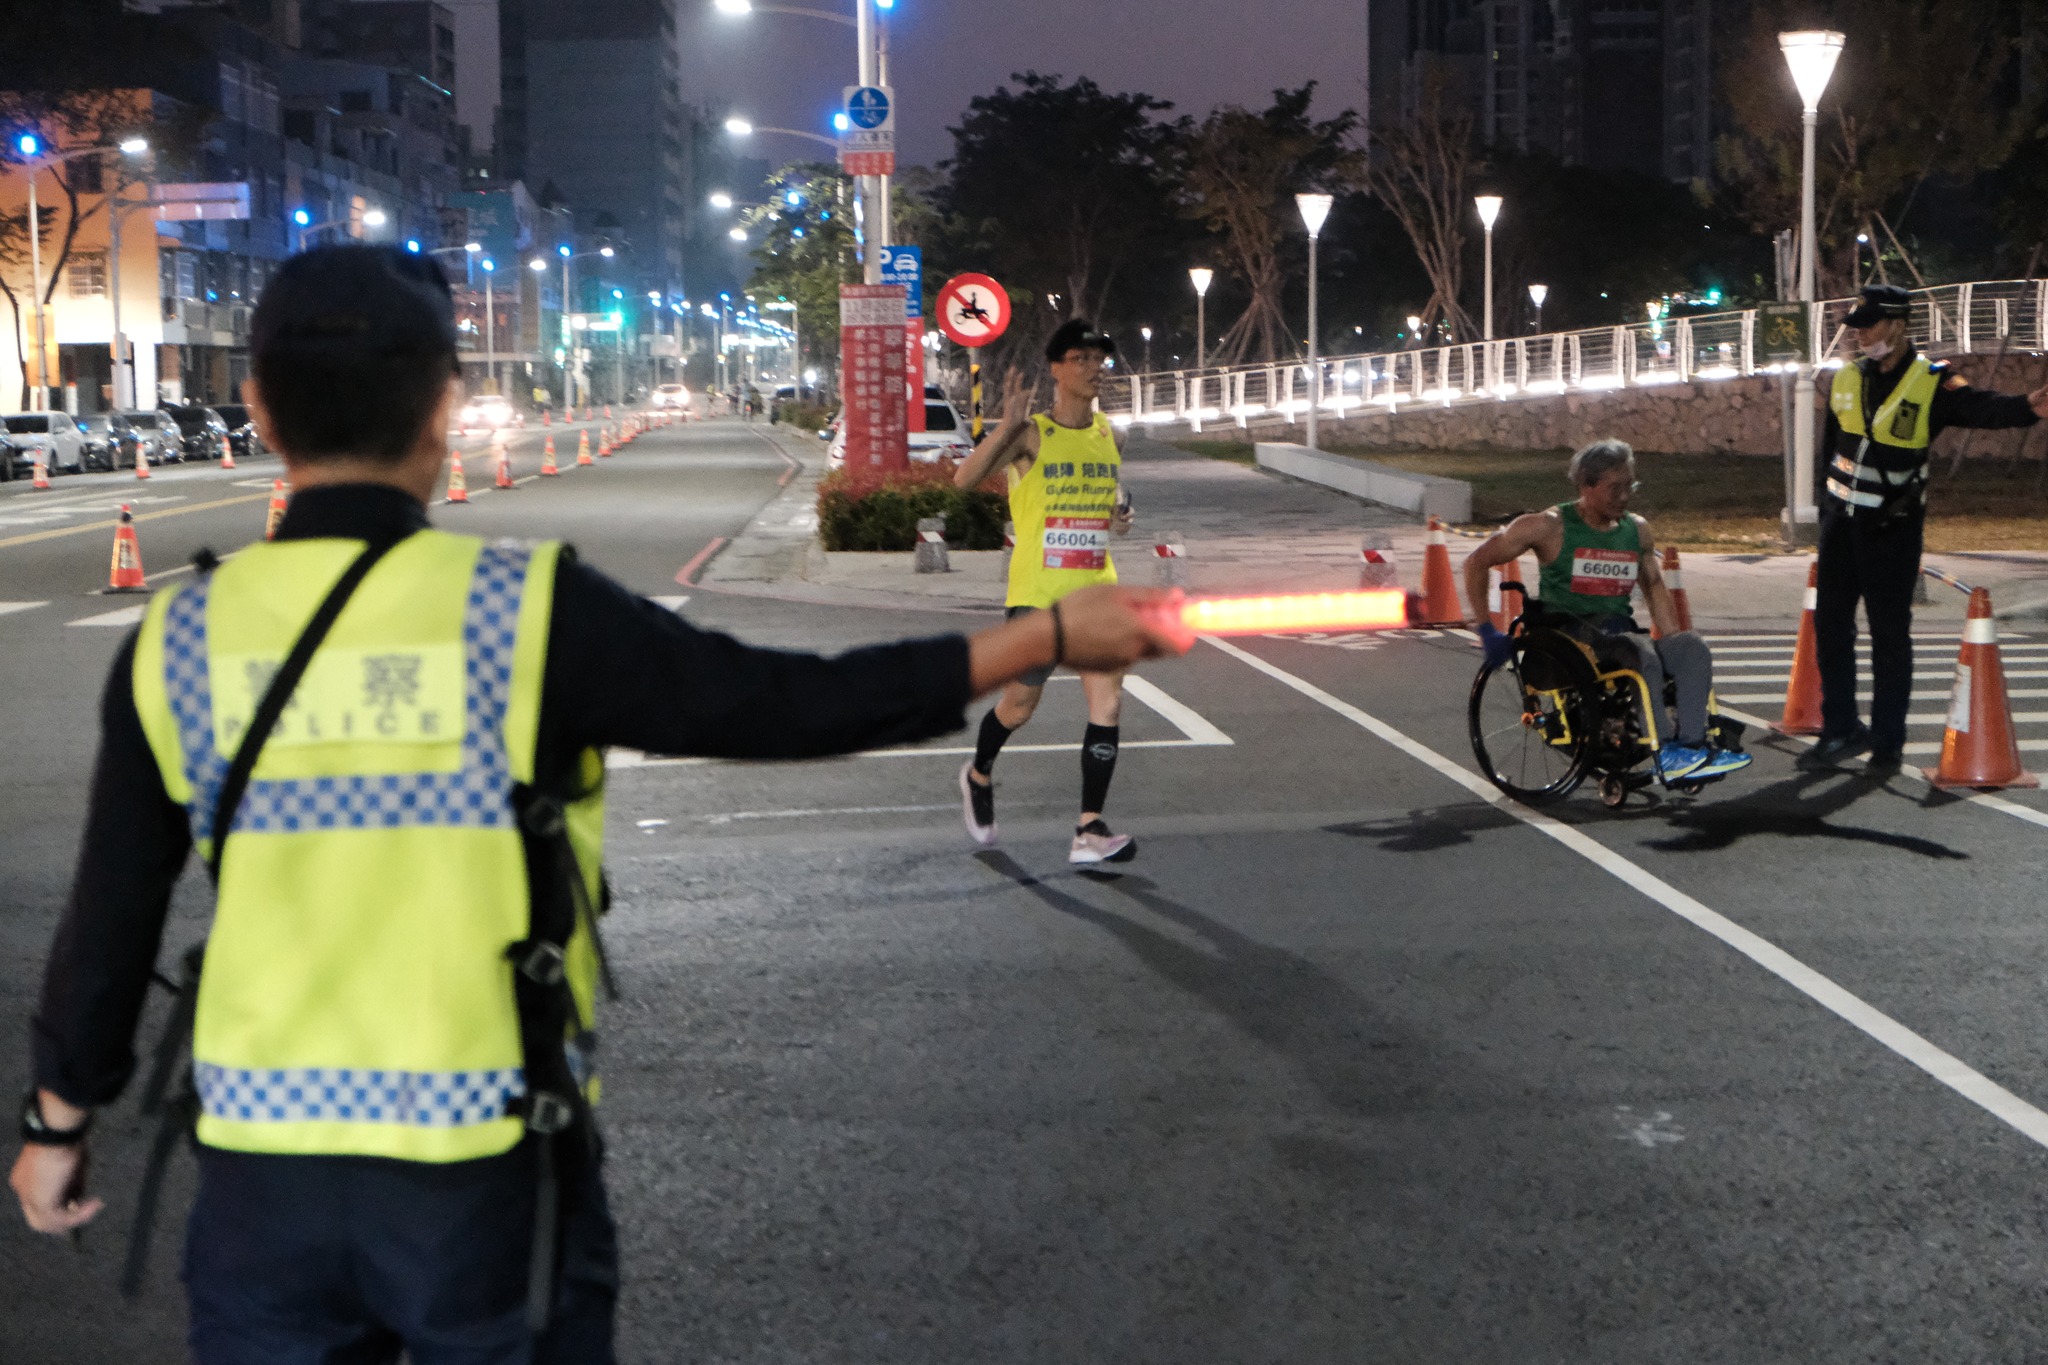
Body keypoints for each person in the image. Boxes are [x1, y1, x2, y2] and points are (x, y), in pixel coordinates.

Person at [8, 246, 1190, 1363]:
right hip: (487, 1168)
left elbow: (109, 916)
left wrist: (60, 1121)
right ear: (439, 412)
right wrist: (1032, 637)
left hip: (263, 1184)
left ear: (259, 412)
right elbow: (781, 705)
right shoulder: (521, 610)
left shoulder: (181, 635)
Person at [1799, 283, 2048, 774]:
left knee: (1890, 636)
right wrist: (1822, 512)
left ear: (1894, 325)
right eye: (1856, 327)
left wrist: (2027, 408)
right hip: (1841, 528)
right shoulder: (1847, 378)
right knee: (1830, 628)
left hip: (1891, 530)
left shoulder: (1932, 380)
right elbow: (1829, 453)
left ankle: (1888, 742)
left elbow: (1980, 405)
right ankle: (1840, 728)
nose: (1859, 335)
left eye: (1867, 325)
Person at [951, 319, 1141, 863]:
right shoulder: (1031, 435)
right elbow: (964, 482)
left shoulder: (1113, 435)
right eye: (1081, 359)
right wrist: (1005, 429)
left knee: (1108, 703)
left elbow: (1109, 507)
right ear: (1057, 369)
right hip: (1037, 596)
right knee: (1019, 705)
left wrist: (1121, 518)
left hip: (1097, 593)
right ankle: (979, 774)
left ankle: (1089, 829)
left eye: (1099, 359)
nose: (1093, 368)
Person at [1461, 438, 1752, 782]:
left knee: (1692, 648)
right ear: (1586, 485)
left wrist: (1673, 640)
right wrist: (1485, 628)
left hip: (1617, 630)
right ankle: (1666, 751)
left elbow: (1655, 586)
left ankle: (1692, 745)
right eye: (1615, 488)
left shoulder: (1637, 530)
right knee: (1638, 650)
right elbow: (1476, 563)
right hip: (1568, 633)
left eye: (1630, 486)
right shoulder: (1548, 526)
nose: (1625, 497)